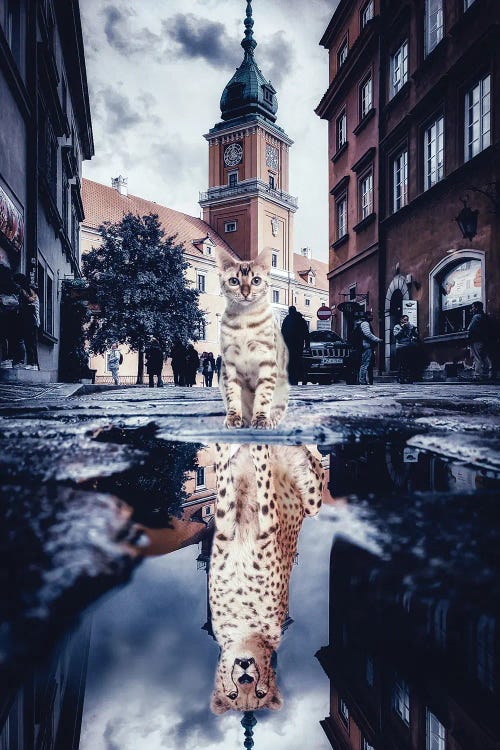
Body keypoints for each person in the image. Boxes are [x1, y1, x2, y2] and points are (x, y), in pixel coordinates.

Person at [14, 273, 39, 370]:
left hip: (28, 319)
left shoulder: (25, 291)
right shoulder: (25, 291)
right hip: (27, 319)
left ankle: (31, 363)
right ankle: (29, 363)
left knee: (28, 341)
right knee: (25, 341)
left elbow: (31, 300)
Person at [0, 265, 23, 369]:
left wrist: (3, 301)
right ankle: (10, 360)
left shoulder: (12, 287)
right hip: (12, 315)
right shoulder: (15, 287)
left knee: (5, 337)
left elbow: (17, 302)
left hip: (7, 315)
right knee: (9, 338)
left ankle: (8, 359)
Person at [281, 306, 310, 385]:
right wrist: (307, 344)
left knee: (290, 362)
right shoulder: (301, 320)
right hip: (298, 345)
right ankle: (296, 378)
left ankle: (292, 379)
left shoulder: (287, 320)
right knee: (297, 362)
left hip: (289, 345)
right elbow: (306, 333)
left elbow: (282, 332)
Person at [352, 311, 382, 385]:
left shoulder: (361, 323)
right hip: (366, 345)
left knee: (364, 363)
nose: (372, 317)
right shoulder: (365, 323)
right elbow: (368, 334)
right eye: (371, 315)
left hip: (363, 345)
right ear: (367, 316)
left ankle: (363, 380)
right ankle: (362, 380)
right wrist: (377, 339)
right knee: (365, 363)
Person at [467, 301, 492, 380]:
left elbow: (470, 329)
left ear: (477, 308)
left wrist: (468, 339)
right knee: (484, 357)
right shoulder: (485, 316)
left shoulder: (476, 317)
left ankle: (478, 375)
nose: (472, 309)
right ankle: (487, 374)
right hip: (485, 340)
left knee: (477, 357)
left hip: (476, 340)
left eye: (473, 307)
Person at [393, 315, 419, 384]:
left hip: (408, 346)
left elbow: (416, 335)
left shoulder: (410, 326)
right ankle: (401, 378)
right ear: (401, 320)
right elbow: (396, 336)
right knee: (401, 363)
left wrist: (413, 329)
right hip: (400, 347)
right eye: (404, 320)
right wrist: (403, 328)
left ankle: (408, 378)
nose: (406, 321)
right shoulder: (397, 327)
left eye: (407, 319)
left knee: (409, 363)